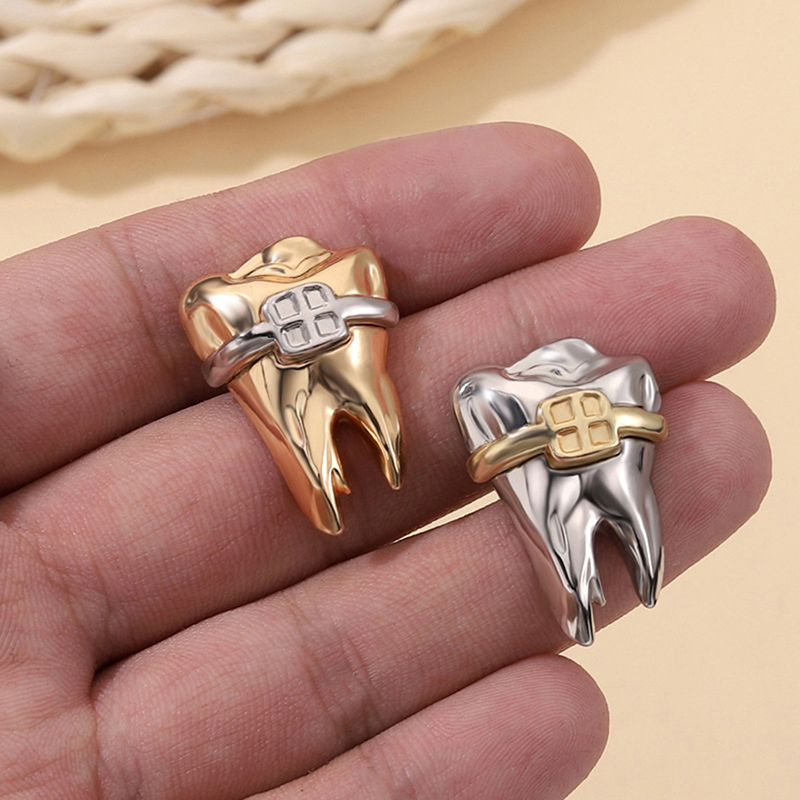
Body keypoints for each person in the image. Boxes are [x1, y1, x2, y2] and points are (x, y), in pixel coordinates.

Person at [0, 123, 773, 799]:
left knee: (401, 438)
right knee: (352, 433)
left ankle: (583, 576)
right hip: (402, 382)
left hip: (496, 414)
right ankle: (578, 575)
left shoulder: (397, 321)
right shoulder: (289, 293)